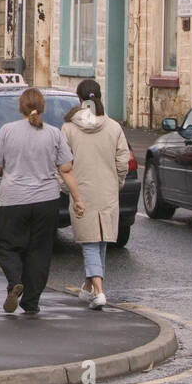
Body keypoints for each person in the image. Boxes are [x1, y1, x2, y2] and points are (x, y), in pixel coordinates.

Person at [0, 87, 85, 314]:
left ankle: (15, 282)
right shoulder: (54, 133)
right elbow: (67, 170)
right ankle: (31, 301)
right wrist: (78, 199)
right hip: (46, 202)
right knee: (40, 251)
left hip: (13, 200)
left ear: (20, 107)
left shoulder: (7, 131)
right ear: (42, 107)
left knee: (8, 247)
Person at [61, 79, 130, 310]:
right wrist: (117, 182)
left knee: (90, 242)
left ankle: (99, 292)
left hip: (81, 191)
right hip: (108, 190)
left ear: (79, 99)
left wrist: (66, 187)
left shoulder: (69, 128)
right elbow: (123, 160)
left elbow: (62, 162)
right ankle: (88, 288)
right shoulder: (114, 127)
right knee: (100, 242)